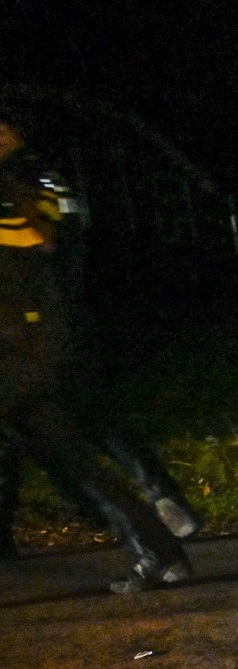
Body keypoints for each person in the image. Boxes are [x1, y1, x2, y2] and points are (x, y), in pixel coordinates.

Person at [0, 117, 192, 589]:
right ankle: (162, 548)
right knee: (72, 457)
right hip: (41, 346)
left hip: (16, 353)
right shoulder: (37, 189)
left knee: (70, 456)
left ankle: (159, 523)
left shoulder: (21, 193)